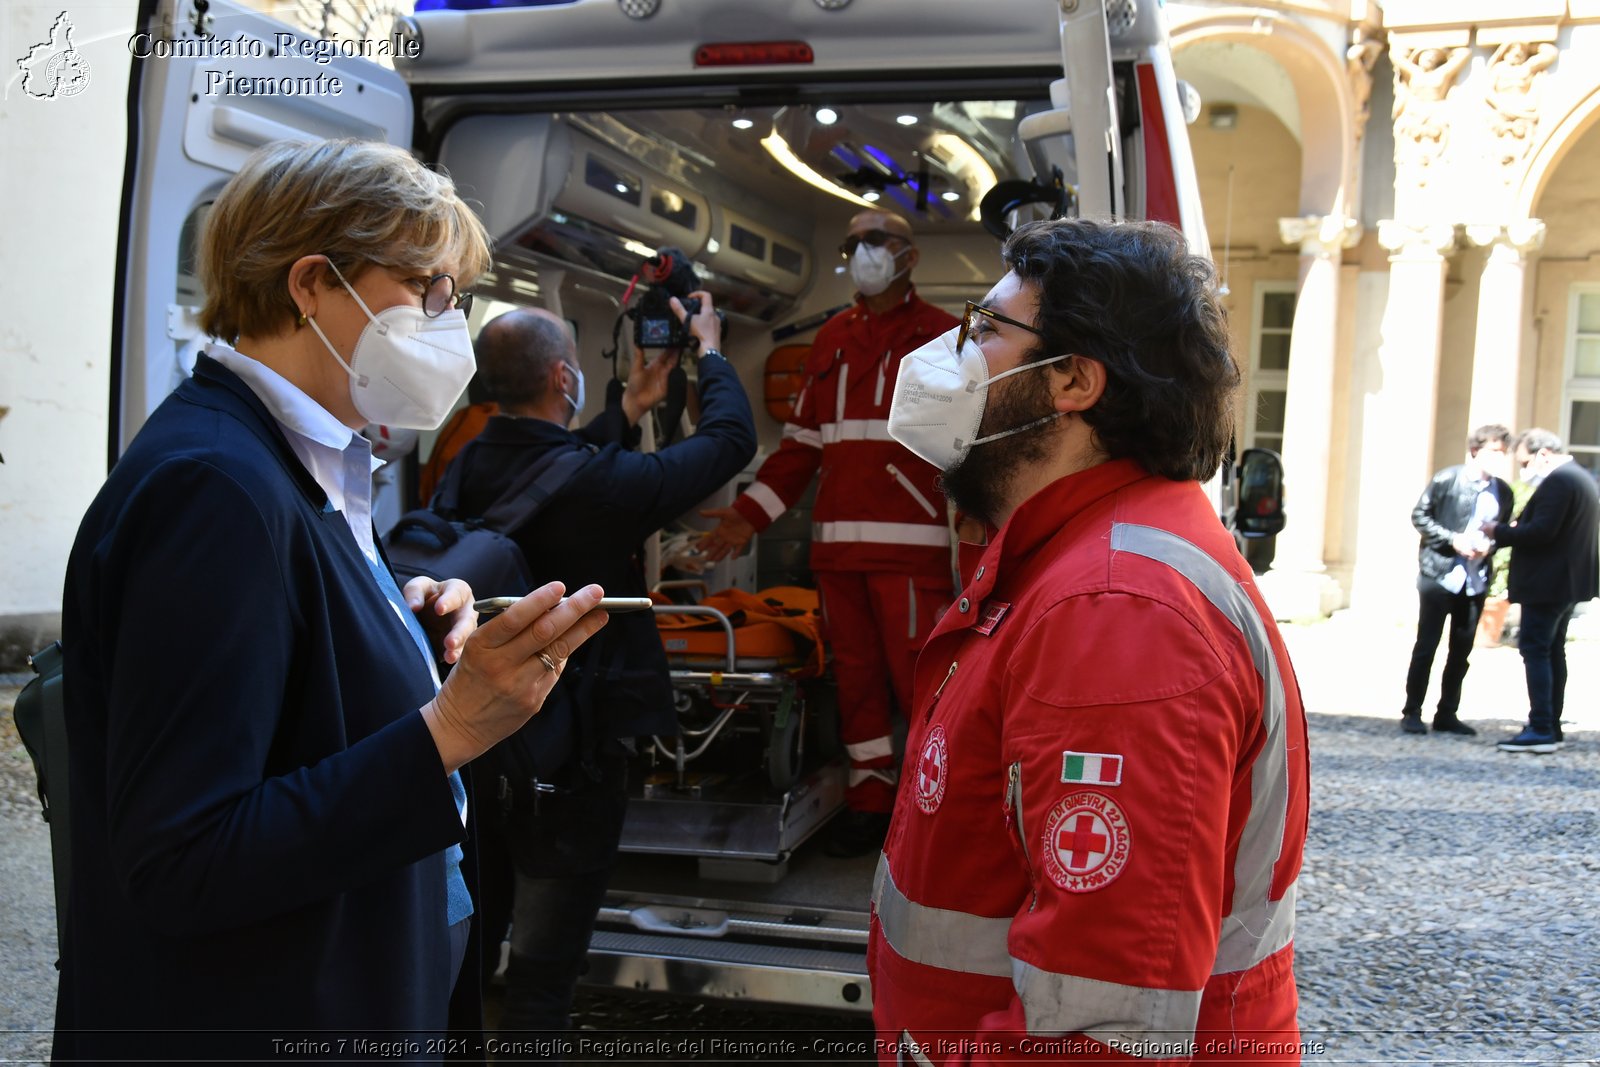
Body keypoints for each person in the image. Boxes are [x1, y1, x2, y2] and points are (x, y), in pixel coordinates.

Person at [54, 139, 611, 1061]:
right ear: (312, 282)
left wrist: (404, 624)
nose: (448, 323)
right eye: (429, 291)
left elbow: (289, 678)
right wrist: (452, 729)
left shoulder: (300, 459)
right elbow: (184, 860)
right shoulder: (215, 486)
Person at [870, 218, 1310, 1061]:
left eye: (988, 328)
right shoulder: (1076, 562)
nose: (950, 354)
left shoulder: (1117, 608)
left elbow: (1104, 1027)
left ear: (1072, 380)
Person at [453, 303, 755, 1039]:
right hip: (570, 754)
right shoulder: (604, 487)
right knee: (541, 981)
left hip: (472, 741)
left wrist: (629, 405)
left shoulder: (467, 466)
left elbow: (558, 469)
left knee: (463, 961)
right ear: (563, 375)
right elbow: (729, 441)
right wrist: (710, 356)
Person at [700, 208, 960, 858]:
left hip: (910, 552)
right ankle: (871, 801)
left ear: (909, 255)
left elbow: (967, 453)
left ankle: (942, 812)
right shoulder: (832, 339)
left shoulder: (946, 340)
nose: (864, 253)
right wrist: (747, 517)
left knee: (922, 686)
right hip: (838, 554)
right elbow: (800, 449)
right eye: (852, 244)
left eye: (878, 241)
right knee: (858, 684)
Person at [1483, 429, 1599, 753]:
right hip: (1565, 583)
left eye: (1524, 461)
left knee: (1536, 650)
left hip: (1548, 584)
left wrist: (1499, 531)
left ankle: (1541, 727)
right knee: (1551, 651)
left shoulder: (1560, 480)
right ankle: (1549, 723)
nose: (1523, 469)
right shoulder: (1580, 477)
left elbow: (1542, 532)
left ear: (1543, 454)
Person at [1399, 424, 1514, 736]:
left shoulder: (1502, 491)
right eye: (1493, 450)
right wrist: (1454, 540)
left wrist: (1490, 546)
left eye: (1502, 452)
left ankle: (1447, 712)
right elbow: (1420, 517)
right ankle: (1412, 711)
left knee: (1461, 650)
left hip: (1475, 580)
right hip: (1439, 574)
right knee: (1427, 645)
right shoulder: (1448, 479)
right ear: (1475, 450)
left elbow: (1500, 530)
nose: (1498, 457)